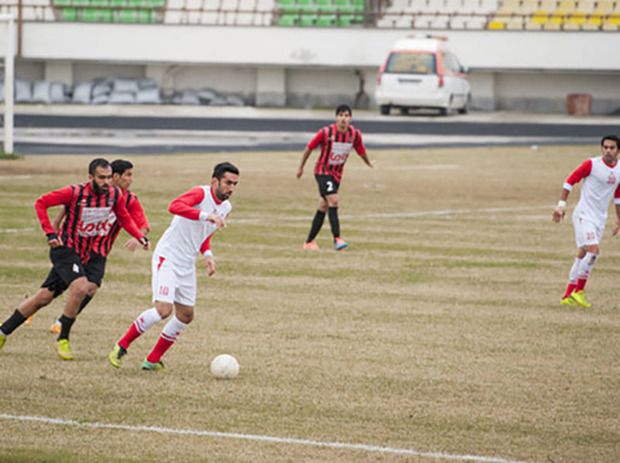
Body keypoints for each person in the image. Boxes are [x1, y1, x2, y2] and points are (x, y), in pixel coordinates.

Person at [0, 158, 150, 360]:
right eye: (102, 178)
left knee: (43, 297)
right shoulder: (75, 193)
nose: (106, 182)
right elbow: (41, 203)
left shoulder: (115, 195)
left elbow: (123, 217)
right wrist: (50, 233)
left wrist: (140, 237)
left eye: (108, 177)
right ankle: (63, 337)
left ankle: (3, 332)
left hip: (92, 254)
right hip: (66, 250)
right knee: (80, 288)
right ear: (91, 178)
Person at [108, 162, 239, 371]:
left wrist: (208, 254)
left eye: (234, 184)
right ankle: (121, 345)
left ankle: (152, 359)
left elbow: (204, 234)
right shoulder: (200, 193)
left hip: (187, 263)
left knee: (186, 315)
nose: (231, 188)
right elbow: (174, 206)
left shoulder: (226, 208)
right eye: (227, 183)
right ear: (215, 181)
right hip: (167, 257)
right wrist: (206, 215)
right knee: (163, 310)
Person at [44, 159, 150, 334]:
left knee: (90, 288)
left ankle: (61, 322)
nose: (131, 180)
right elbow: (69, 206)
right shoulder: (92, 194)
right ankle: (33, 309)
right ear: (115, 176)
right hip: (77, 246)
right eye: (128, 175)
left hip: (99, 251)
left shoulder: (129, 199)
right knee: (54, 290)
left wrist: (139, 237)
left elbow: (143, 223)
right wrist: (55, 226)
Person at [552, 135, 620, 307]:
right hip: (584, 214)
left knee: (582, 254)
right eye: (605, 147)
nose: (608, 151)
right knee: (594, 251)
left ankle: (567, 295)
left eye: (612, 148)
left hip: (600, 217)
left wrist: (618, 218)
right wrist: (561, 205)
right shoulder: (592, 164)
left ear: (618, 151)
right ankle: (579, 291)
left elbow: (618, 196)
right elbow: (570, 181)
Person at [296, 104, 374, 251]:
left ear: (350, 118)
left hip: (336, 175)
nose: (343, 119)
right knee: (334, 199)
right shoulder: (326, 132)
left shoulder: (354, 135)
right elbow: (309, 148)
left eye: (346, 116)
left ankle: (309, 242)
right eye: (340, 115)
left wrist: (368, 162)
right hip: (322, 172)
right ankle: (337, 239)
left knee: (323, 206)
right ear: (336, 118)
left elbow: (360, 150)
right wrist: (301, 167)